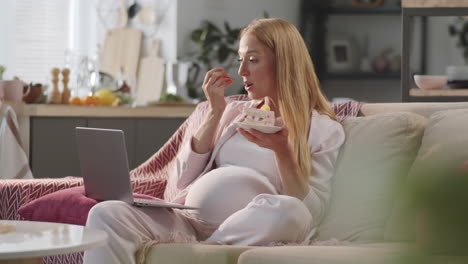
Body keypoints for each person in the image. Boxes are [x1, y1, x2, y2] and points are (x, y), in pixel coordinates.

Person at [83, 18, 345, 264]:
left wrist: (282, 151)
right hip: (189, 221)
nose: (242, 71)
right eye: (240, 60)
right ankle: (202, 245)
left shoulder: (323, 129)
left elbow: (312, 212)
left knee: (290, 211)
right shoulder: (232, 112)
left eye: (252, 60)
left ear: (284, 63)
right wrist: (215, 111)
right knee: (106, 213)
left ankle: (204, 249)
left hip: (257, 227)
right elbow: (182, 181)